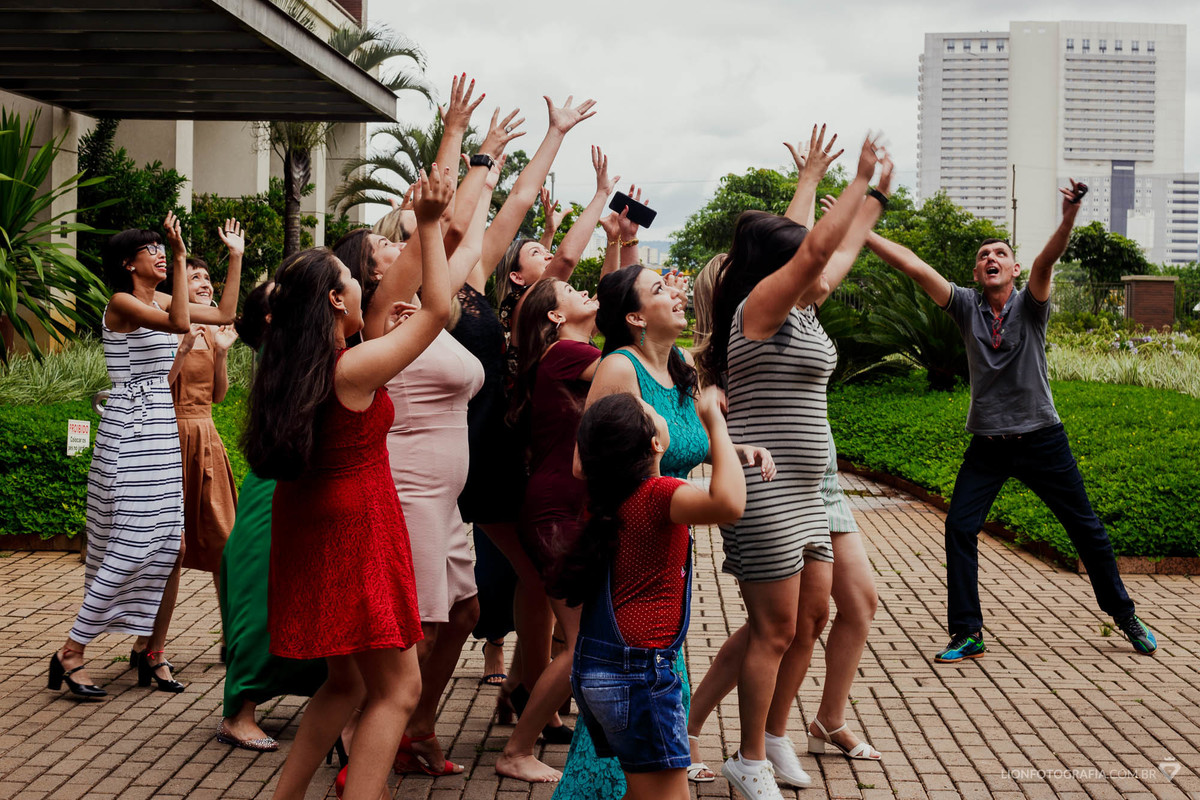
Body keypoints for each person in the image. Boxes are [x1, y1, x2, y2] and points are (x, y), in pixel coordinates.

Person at [864, 179, 1158, 662]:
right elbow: (914, 266)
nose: (991, 258)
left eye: (1000, 253)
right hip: (988, 445)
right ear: (977, 272)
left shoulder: (1030, 305)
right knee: (959, 527)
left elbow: (1046, 262)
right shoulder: (965, 307)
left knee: (1086, 530)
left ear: (1014, 268)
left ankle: (1124, 615)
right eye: (984, 255)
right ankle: (968, 632)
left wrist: (1068, 216)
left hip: (1042, 438)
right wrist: (863, 232)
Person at [244, 164, 455, 800]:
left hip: (313, 521)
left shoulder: (296, 368)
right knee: (400, 689)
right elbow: (440, 309)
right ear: (337, 301)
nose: (365, 287)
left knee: (347, 683)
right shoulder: (350, 368)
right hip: (357, 527)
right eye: (353, 280)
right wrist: (428, 224)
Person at [686, 128, 887, 777]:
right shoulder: (762, 308)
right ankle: (741, 751)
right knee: (773, 628)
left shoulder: (803, 309)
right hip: (767, 487)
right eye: (799, 259)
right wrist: (855, 179)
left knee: (809, 618)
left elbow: (837, 248)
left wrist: (876, 197)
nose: (814, 265)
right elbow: (815, 246)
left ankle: (772, 738)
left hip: (810, 489)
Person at [550, 263, 774, 799]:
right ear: (634, 317)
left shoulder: (682, 365)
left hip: (668, 541)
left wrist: (734, 450)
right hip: (631, 543)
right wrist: (654, 498)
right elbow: (586, 461)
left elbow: (688, 441)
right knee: (639, 677)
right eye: (659, 288)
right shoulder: (620, 368)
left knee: (650, 677)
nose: (675, 292)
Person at [49, 214, 242, 699]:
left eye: (162, 247)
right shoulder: (123, 302)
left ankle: (150, 650)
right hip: (130, 432)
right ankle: (71, 650)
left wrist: (235, 257)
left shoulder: (161, 301)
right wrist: (179, 254)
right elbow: (180, 323)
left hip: (160, 429)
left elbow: (222, 315)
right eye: (150, 249)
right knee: (133, 545)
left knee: (171, 546)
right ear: (126, 264)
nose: (159, 253)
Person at [561, 389, 746, 800]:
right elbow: (729, 504)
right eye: (650, 410)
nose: (656, 408)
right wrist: (715, 424)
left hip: (601, 668)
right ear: (656, 444)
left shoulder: (609, 496)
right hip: (637, 674)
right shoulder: (658, 495)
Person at [494, 277, 601, 782]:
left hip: (569, 508)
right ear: (555, 316)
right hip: (557, 512)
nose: (583, 291)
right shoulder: (566, 354)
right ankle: (516, 751)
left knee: (578, 634)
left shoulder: (574, 352)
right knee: (582, 641)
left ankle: (519, 692)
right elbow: (634, 363)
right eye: (571, 290)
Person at [217, 281, 327, 752]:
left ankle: (330, 692)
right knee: (261, 593)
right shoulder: (281, 355)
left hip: (307, 482)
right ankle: (237, 713)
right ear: (271, 318)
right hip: (274, 484)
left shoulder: (302, 350)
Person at [167, 250, 240, 613]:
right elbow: (159, 389)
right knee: (170, 545)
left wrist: (222, 354)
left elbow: (219, 395)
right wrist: (181, 350)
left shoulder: (213, 331)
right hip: (169, 436)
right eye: (194, 277)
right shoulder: (165, 327)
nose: (205, 284)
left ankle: (232, 633)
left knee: (225, 538)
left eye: (207, 278)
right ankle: (149, 638)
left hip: (206, 435)